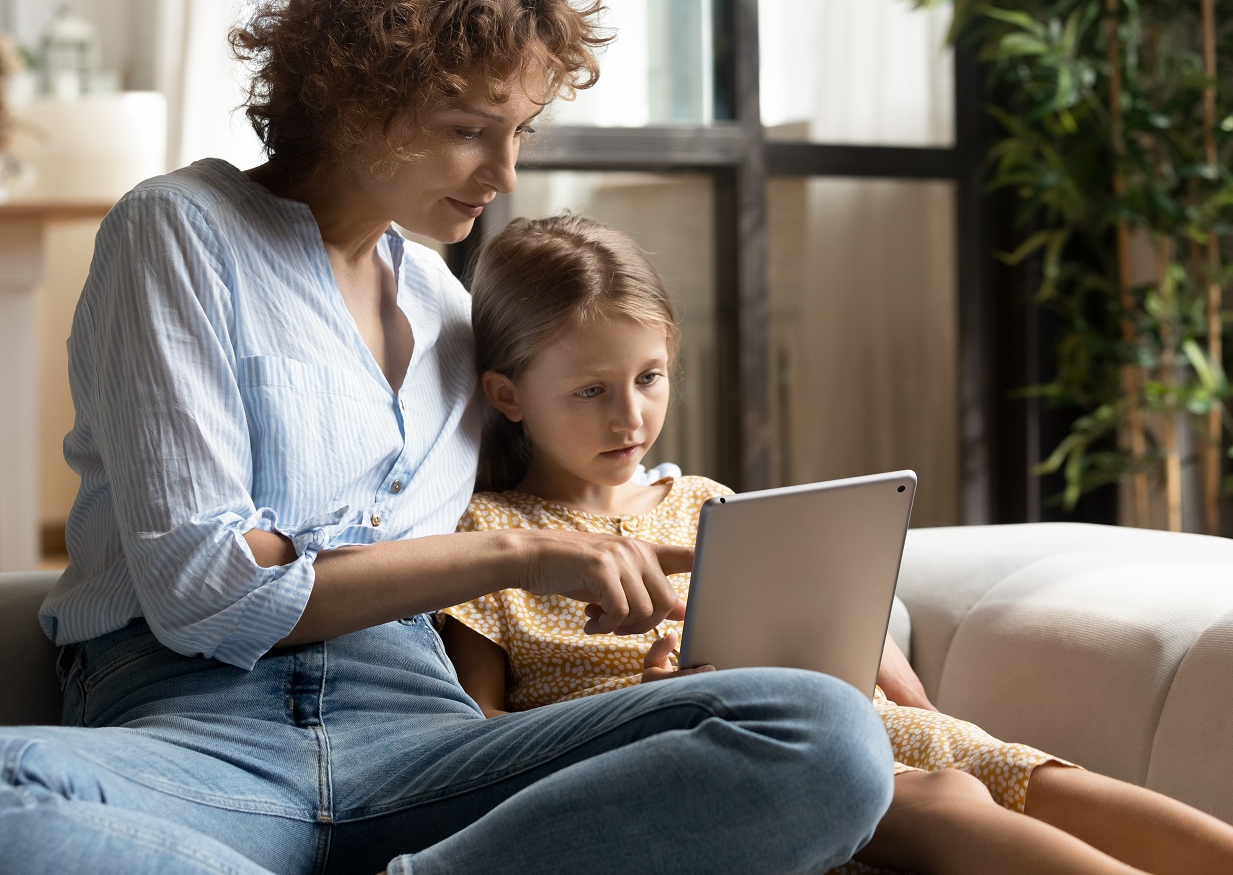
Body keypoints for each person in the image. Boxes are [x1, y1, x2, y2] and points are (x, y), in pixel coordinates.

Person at [0, 0, 894, 875]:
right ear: (358, 94)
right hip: (200, 740)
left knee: (825, 734)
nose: (505, 174)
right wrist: (519, 551)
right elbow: (211, 593)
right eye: (469, 127)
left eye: (519, 131)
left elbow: (560, 479)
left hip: (425, 742)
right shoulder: (179, 230)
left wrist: (673, 573)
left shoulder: (449, 309)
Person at [440, 211, 1233, 875]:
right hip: (693, 757)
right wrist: (655, 703)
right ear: (508, 394)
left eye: (650, 378)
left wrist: (884, 678)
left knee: (1008, 768)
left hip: (833, 713)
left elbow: (847, 654)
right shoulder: (492, 539)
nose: (630, 418)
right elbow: (476, 744)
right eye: (590, 391)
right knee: (937, 796)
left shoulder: (710, 505)